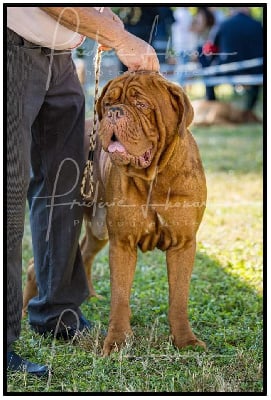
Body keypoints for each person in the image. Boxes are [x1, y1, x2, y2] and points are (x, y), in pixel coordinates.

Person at [6, 6, 159, 377]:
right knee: (8, 195)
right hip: (10, 51)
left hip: (60, 60)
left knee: (65, 189)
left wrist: (103, 19)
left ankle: (57, 312)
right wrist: (119, 38)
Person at [210, 7, 263, 114]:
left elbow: (212, 49)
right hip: (255, 70)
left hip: (227, 69)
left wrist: (212, 61)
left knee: (209, 72)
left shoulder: (223, 24)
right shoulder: (258, 25)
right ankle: (250, 109)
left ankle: (211, 104)